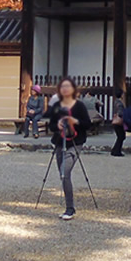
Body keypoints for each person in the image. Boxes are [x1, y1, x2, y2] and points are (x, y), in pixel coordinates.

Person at [44, 77, 91, 220]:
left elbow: (87, 124)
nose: (65, 89)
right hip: (60, 141)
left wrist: (75, 121)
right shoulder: (57, 106)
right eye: (62, 86)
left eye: (68, 86)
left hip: (75, 143)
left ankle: (70, 208)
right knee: (62, 175)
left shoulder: (80, 106)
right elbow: (50, 125)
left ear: (73, 89)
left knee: (65, 172)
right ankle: (68, 205)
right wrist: (57, 125)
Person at [111, 88, 126, 156]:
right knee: (121, 136)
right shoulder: (120, 103)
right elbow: (120, 112)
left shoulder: (115, 101)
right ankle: (117, 151)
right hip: (119, 121)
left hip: (115, 120)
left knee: (120, 136)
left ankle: (115, 150)